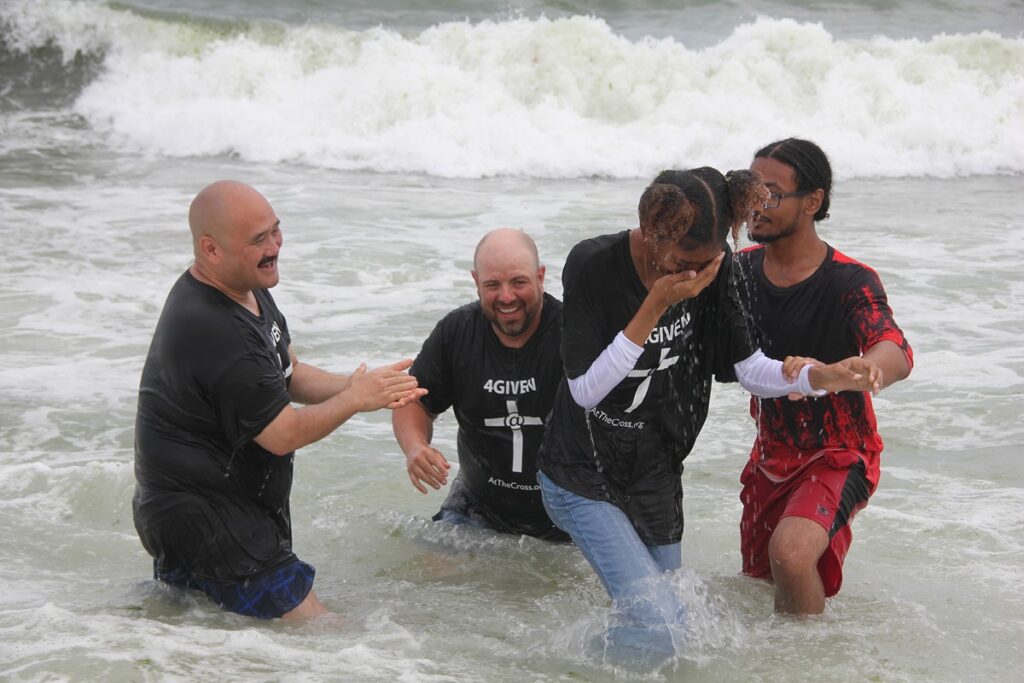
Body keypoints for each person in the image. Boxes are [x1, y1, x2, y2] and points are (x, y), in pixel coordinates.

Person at [536, 167, 879, 662]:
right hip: (581, 473)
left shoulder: (722, 268)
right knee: (660, 624)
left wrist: (814, 378)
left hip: (654, 475)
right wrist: (655, 305)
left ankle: (582, 661)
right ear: (654, 231)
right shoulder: (595, 263)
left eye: (707, 261)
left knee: (676, 632)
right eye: (682, 260)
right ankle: (542, 667)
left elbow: (749, 368)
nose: (693, 274)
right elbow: (587, 391)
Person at [133, 180, 425, 620]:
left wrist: (359, 386)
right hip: (207, 517)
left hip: (205, 511)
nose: (275, 246)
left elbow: (288, 374)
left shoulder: (246, 285)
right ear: (211, 250)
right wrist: (356, 401)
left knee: (206, 628)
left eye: (276, 230)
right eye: (258, 239)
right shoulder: (213, 327)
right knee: (328, 635)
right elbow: (282, 434)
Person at [736, 138, 913, 614]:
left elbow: (894, 346)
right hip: (770, 456)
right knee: (759, 585)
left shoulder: (848, 279)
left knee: (791, 559)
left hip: (840, 452)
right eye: (751, 191)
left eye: (771, 193)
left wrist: (868, 368)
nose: (756, 205)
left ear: (812, 202)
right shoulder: (738, 273)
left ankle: (814, 665)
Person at [392, 228, 568, 542]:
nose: (506, 297)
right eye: (492, 285)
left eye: (519, 282)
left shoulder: (572, 332)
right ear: (476, 282)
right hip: (477, 507)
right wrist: (415, 446)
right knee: (433, 578)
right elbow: (414, 400)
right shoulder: (456, 332)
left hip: (567, 511)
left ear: (541, 276)